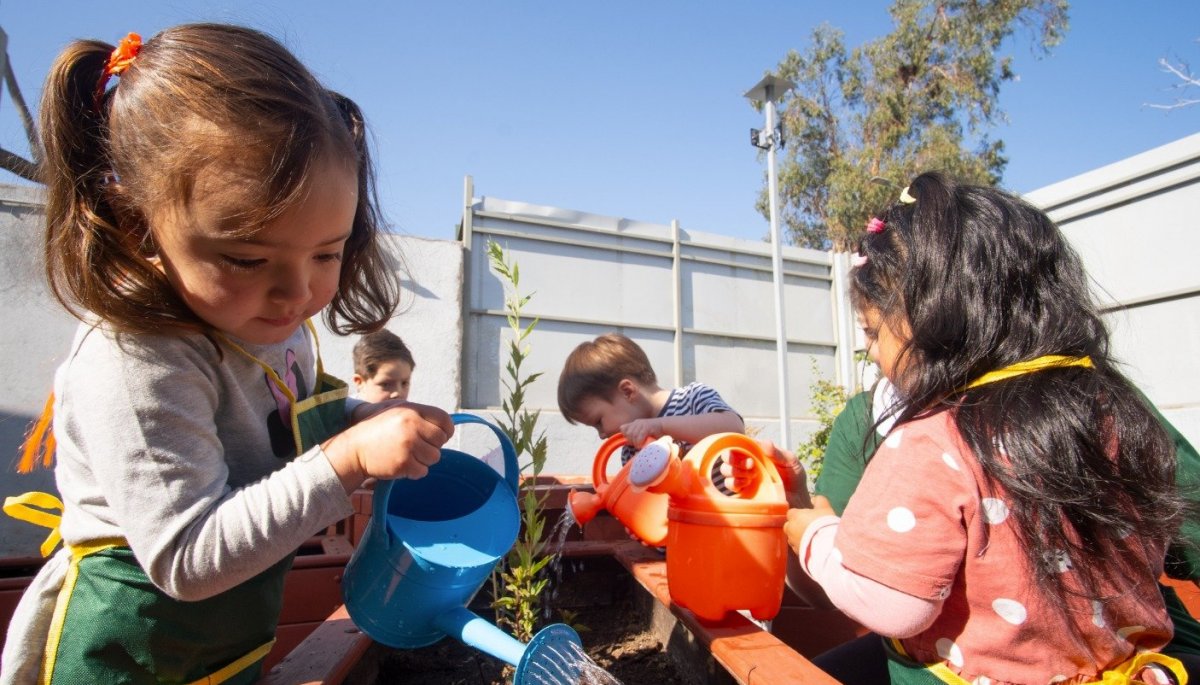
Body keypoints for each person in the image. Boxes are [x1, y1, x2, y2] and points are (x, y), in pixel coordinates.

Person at [0, 24, 454, 685]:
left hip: (222, 647)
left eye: (327, 252)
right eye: (247, 257)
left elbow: (286, 417)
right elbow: (186, 557)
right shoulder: (139, 361)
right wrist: (350, 459)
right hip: (130, 652)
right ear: (138, 225)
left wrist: (363, 418)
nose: (297, 292)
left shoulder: (270, 319)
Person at [778, 172, 1189, 684]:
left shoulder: (934, 436)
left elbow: (890, 605)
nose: (871, 352)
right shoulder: (1116, 414)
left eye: (873, 332)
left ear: (936, 320)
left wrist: (813, 533)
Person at [557, 332, 744, 489]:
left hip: (733, 523)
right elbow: (646, 502)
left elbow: (734, 428)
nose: (602, 435)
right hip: (686, 530)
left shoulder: (693, 398)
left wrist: (661, 426)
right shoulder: (631, 451)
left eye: (599, 421)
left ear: (627, 391)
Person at [352, 329, 415, 402]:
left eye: (404, 383)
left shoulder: (408, 411)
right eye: (385, 384)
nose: (397, 393)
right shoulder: (343, 410)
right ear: (359, 382)